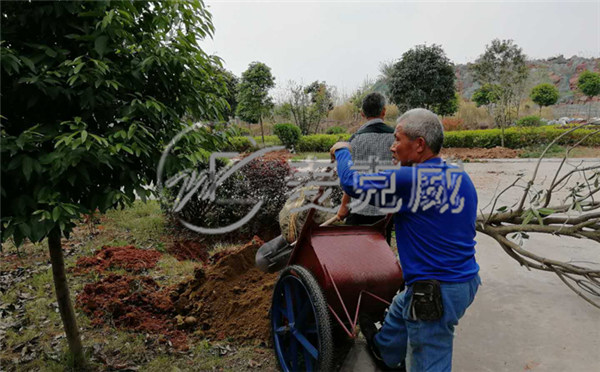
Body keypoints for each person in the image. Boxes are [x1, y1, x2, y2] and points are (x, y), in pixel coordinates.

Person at [330, 108, 481, 371]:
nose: (392, 147)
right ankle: (385, 350)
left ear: (420, 144)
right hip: (466, 281)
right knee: (402, 305)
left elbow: (352, 184)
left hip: (434, 292)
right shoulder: (458, 175)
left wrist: (343, 151)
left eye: (398, 140)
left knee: (429, 356)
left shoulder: (409, 178)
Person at [337, 92, 395, 243]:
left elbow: (350, 177)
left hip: (358, 207)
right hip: (386, 210)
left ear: (362, 113)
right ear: (384, 111)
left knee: (356, 251)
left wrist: (344, 205)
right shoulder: (396, 139)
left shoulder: (354, 140)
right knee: (382, 249)